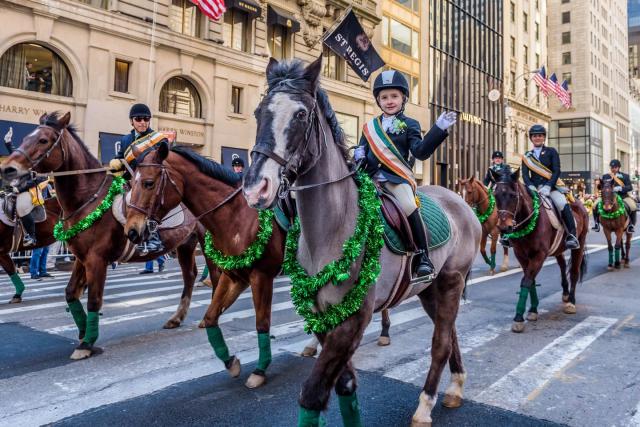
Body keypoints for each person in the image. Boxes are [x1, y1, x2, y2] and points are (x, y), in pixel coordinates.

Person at [355, 70, 457, 278]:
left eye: (394, 96)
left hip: (395, 179)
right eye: (384, 97)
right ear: (378, 100)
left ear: (403, 98)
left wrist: (438, 129)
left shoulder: (410, 124)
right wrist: (359, 154)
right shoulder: (369, 127)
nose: (389, 101)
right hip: (369, 179)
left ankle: (422, 256)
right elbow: (363, 154)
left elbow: (420, 152)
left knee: (409, 205)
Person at [109, 103, 168, 253]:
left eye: (146, 119)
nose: (142, 122)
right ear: (131, 121)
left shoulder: (159, 139)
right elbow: (121, 160)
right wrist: (116, 164)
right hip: (132, 181)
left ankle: (154, 237)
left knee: (148, 202)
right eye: (139, 119)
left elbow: (164, 162)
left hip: (153, 182)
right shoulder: (125, 140)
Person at [520, 124, 580, 249]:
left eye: (540, 136)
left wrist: (548, 186)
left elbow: (556, 171)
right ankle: (511, 235)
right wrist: (531, 187)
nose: (537, 138)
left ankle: (572, 235)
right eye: (535, 136)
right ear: (531, 138)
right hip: (534, 189)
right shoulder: (526, 156)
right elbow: (525, 175)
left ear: (544, 138)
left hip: (551, 188)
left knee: (562, 203)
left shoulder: (551, 151)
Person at [593, 159, 636, 233]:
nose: (613, 169)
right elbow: (601, 187)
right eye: (612, 167)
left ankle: (631, 225)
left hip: (623, 197)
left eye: (615, 167)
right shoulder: (606, 176)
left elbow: (630, 187)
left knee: (632, 206)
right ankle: (596, 223)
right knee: (594, 205)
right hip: (607, 197)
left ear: (619, 167)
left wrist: (620, 188)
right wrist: (599, 185)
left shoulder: (625, 176)